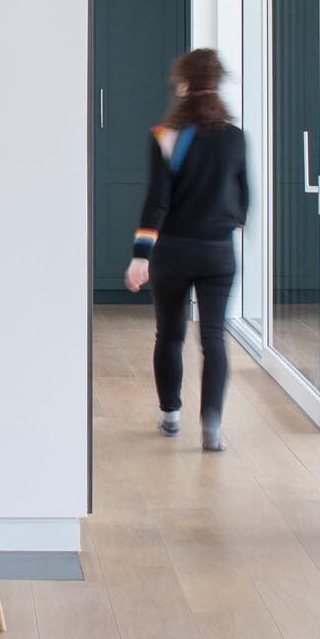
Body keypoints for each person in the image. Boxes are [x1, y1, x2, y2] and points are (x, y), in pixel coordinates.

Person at [125, 46, 249, 450]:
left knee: (170, 334)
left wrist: (140, 255)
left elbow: (156, 202)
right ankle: (211, 425)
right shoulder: (234, 138)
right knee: (213, 336)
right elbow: (243, 198)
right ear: (216, 84)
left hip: (173, 253)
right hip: (218, 252)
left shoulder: (166, 137)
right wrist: (230, 218)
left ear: (183, 84)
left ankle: (170, 416)